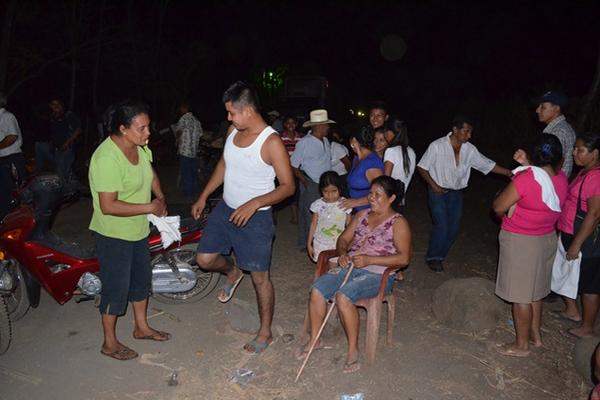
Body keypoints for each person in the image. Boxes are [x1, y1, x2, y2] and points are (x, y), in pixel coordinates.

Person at [192, 81, 294, 354]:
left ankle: (265, 332)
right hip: (226, 209)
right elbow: (224, 164)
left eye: (232, 112)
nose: (228, 118)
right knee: (205, 259)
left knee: (260, 278)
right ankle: (232, 271)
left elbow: (288, 186)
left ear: (247, 110)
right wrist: (204, 195)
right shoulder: (232, 131)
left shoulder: (271, 142)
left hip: (256, 219)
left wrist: (256, 202)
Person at [299, 176, 411, 373]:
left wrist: (370, 260)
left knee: (344, 296)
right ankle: (315, 339)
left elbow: (403, 259)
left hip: (379, 275)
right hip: (351, 266)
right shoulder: (362, 215)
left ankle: (353, 350)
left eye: (378, 195)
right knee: (317, 289)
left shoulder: (398, 223)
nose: (372, 198)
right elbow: (343, 239)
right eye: (370, 194)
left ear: (392, 198)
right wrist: (343, 253)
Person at [89, 100, 170, 361]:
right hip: (113, 233)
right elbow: (108, 205)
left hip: (137, 229)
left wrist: (161, 197)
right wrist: (149, 205)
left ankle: (141, 327)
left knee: (140, 280)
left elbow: (150, 173)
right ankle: (109, 342)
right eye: (142, 128)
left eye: (149, 127)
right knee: (116, 286)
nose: (148, 133)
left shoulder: (140, 148)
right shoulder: (106, 158)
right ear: (123, 129)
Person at [492, 134, 568, 357]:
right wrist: (527, 165)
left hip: (522, 241)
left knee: (521, 296)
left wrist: (507, 217)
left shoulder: (525, 179)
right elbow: (542, 179)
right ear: (559, 159)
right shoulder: (561, 178)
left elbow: (498, 206)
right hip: (546, 239)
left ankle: (521, 345)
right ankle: (535, 335)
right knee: (536, 292)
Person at [417, 115, 512, 272]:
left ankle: (439, 254)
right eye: (466, 131)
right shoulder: (437, 146)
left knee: (453, 228)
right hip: (438, 191)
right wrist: (433, 185)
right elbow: (422, 167)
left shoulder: (470, 149)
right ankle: (434, 257)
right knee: (441, 225)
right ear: (455, 130)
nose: (469, 135)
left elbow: (487, 164)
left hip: (457, 193)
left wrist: (508, 172)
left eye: (470, 132)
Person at [554, 131, 600, 338]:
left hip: (585, 239)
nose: (575, 153)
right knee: (565, 273)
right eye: (575, 148)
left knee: (589, 284)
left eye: (580, 150)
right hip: (570, 231)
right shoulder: (585, 172)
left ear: (595, 153)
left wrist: (577, 244)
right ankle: (572, 311)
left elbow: (594, 213)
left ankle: (588, 327)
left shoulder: (596, 177)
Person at [291, 109, 334, 248]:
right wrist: (305, 181)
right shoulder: (304, 142)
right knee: (309, 214)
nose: (328, 127)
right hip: (311, 181)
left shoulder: (326, 140)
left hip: (325, 183)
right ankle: (308, 244)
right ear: (317, 126)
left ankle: (312, 242)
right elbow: (293, 165)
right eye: (326, 125)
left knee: (321, 214)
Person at [307, 171, 352, 262]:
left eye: (334, 191)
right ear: (321, 190)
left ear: (340, 189)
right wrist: (309, 243)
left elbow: (350, 226)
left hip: (338, 243)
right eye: (326, 192)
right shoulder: (318, 205)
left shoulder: (345, 204)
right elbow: (313, 224)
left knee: (334, 266)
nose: (330, 195)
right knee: (322, 264)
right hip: (320, 242)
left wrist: (350, 243)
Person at [340, 127, 384, 212]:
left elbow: (381, 194)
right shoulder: (357, 158)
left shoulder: (371, 163)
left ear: (353, 140)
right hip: (357, 211)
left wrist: (355, 202)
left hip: (370, 212)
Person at [535, 91, 576, 177]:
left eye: (543, 107)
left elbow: (556, 164)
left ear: (557, 108)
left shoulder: (558, 131)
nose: (537, 110)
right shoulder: (561, 127)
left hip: (553, 183)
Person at [0, 92, 26, 219]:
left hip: (11, 158)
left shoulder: (6, 116)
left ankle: (18, 219)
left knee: (14, 190)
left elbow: (12, 136)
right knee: (4, 191)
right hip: (3, 159)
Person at [383, 118, 416, 209]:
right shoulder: (411, 152)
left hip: (389, 202)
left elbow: (386, 180)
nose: (385, 135)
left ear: (390, 132)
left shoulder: (391, 151)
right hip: (401, 200)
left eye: (385, 131)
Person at [174, 102, 203, 200]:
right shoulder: (196, 121)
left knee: (186, 173)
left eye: (181, 108)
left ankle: (189, 194)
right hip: (193, 151)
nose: (180, 110)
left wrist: (177, 139)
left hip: (184, 150)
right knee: (193, 172)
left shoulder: (183, 119)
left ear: (184, 108)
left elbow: (178, 131)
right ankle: (195, 192)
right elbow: (200, 134)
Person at [49, 98, 81, 181]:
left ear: (61, 105)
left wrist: (67, 143)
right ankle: (71, 189)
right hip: (57, 148)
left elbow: (78, 130)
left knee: (61, 173)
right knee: (64, 171)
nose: (55, 106)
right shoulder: (53, 116)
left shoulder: (68, 115)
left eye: (57, 104)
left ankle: (64, 191)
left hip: (67, 148)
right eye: (53, 104)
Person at [279, 116, 303, 224]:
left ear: (296, 124)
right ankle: (274, 216)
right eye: (288, 123)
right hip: (284, 168)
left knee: (295, 192)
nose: (291, 125)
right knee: (280, 191)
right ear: (284, 124)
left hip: (297, 169)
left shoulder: (301, 137)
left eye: (293, 123)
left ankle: (295, 217)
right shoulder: (280, 137)